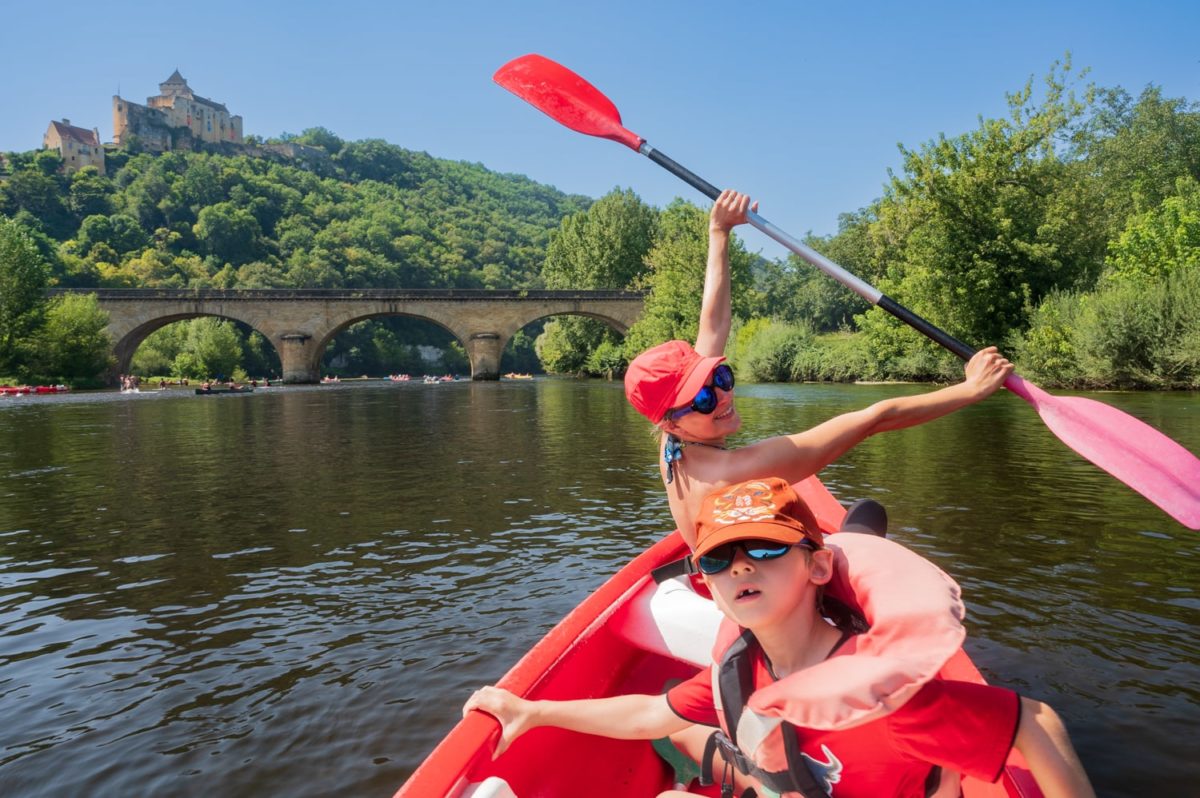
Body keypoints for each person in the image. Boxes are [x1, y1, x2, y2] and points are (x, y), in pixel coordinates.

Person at [464, 478, 1095, 798]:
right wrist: (532, 710)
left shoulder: (885, 693)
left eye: (765, 548)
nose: (740, 566)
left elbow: (1037, 726)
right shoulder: (741, 670)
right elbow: (647, 712)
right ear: (707, 584)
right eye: (718, 559)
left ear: (819, 567)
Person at [624, 189, 1014, 548]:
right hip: (774, 606)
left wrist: (720, 231)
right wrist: (971, 390)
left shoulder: (672, 445)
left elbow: (712, 326)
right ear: (673, 423)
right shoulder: (739, 470)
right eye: (706, 398)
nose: (723, 395)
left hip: (726, 577)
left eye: (720, 378)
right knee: (868, 514)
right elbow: (875, 418)